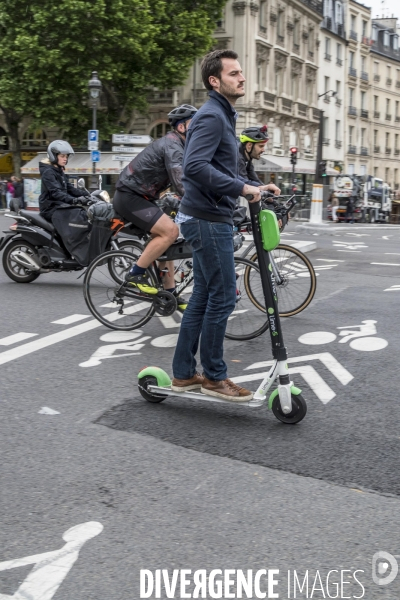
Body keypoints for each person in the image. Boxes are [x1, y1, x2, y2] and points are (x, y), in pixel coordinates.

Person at [171, 49, 279, 402]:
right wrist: (242, 188)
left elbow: (221, 167)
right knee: (222, 298)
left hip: (207, 216)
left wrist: (256, 186)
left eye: (241, 73)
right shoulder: (212, 116)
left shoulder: (222, 115)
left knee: (204, 296)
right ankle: (215, 376)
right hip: (206, 219)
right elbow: (194, 167)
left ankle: (185, 373)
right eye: (234, 73)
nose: (242, 78)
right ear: (214, 81)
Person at [113, 104, 197, 298]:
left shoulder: (181, 145)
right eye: (195, 123)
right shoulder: (173, 145)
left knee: (170, 242)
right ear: (182, 127)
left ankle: (169, 294)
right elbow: (181, 182)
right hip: (129, 196)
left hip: (144, 197)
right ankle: (135, 274)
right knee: (170, 231)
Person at [39, 140, 90, 221]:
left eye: (66, 156)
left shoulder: (59, 171)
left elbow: (70, 189)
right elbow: (56, 192)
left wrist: (88, 195)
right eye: (62, 156)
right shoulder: (48, 172)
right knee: (78, 218)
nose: (65, 159)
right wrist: (75, 200)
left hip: (60, 206)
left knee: (83, 214)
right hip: (50, 209)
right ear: (54, 156)